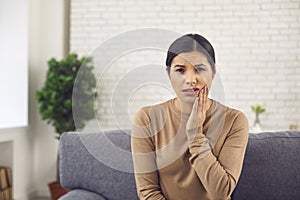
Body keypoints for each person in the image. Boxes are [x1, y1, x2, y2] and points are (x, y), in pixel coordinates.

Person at [131, 33, 249, 200]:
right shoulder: (147, 119)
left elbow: (221, 193)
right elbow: (147, 193)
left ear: (213, 72)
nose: (190, 80)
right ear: (168, 74)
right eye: (180, 70)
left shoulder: (235, 121)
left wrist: (195, 135)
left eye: (199, 69)